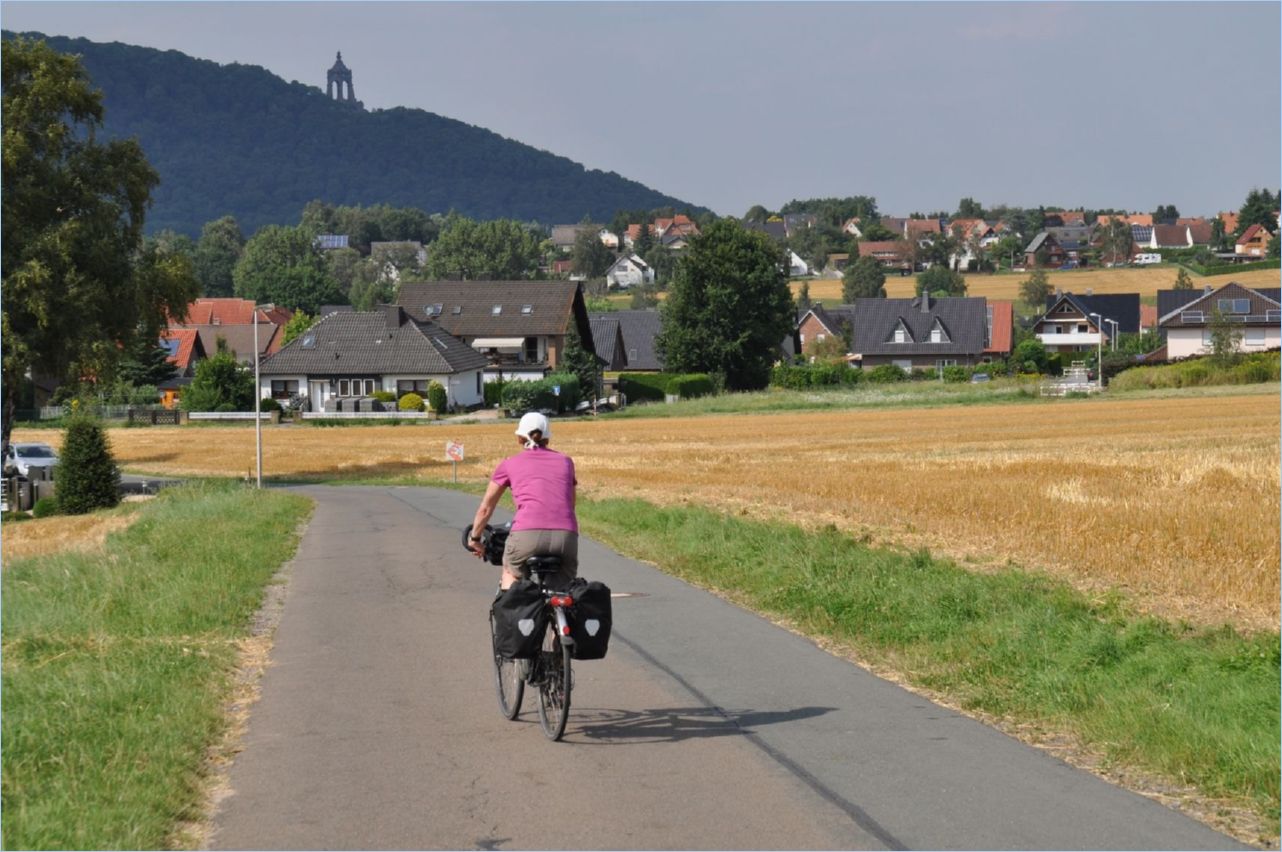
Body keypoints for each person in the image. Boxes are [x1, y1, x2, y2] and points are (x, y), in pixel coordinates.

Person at [469, 412, 578, 591]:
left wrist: (475, 539)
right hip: (566, 536)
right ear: (547, 438)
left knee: (511, 573)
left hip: (526, 534)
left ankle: (511, 614)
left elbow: (486, 508)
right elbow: (571, 504)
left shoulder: (510, 463)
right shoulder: (566, 462)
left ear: (520, 438)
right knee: (563, 590)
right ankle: (563, 616)